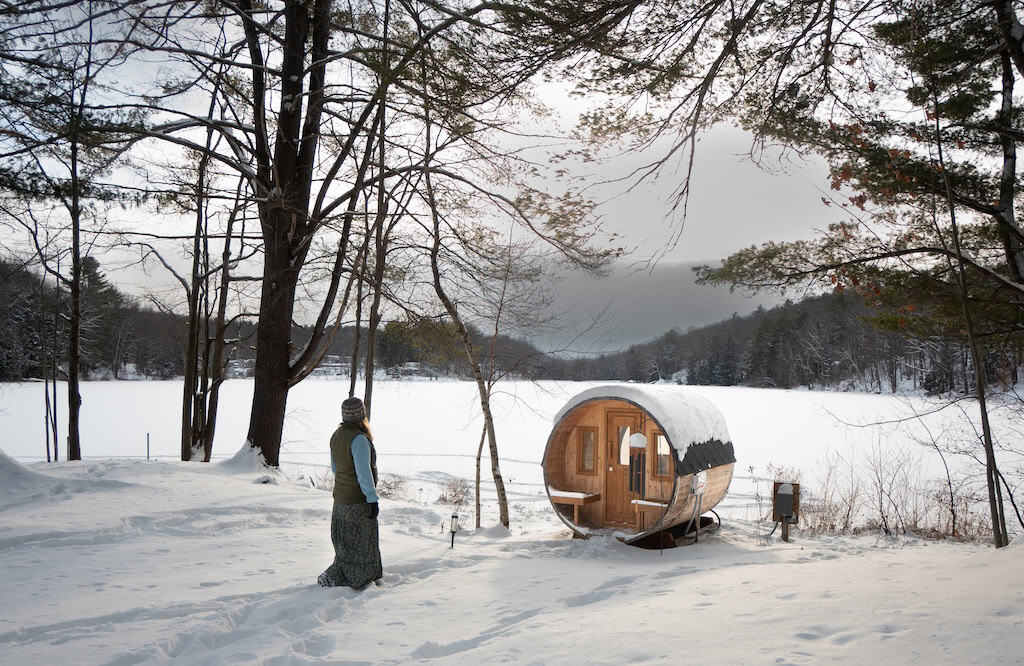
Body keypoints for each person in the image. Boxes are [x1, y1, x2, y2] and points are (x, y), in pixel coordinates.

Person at [318, 397, 382, 588]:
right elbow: (364, 474)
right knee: (362, 543)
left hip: (340, 500)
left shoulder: (337, 435)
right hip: (357, 501)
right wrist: (372, 499)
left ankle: (339, 574)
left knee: (346, 544)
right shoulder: (359, 439)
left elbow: (335, 468)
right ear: (362, 415)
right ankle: (358, 578)